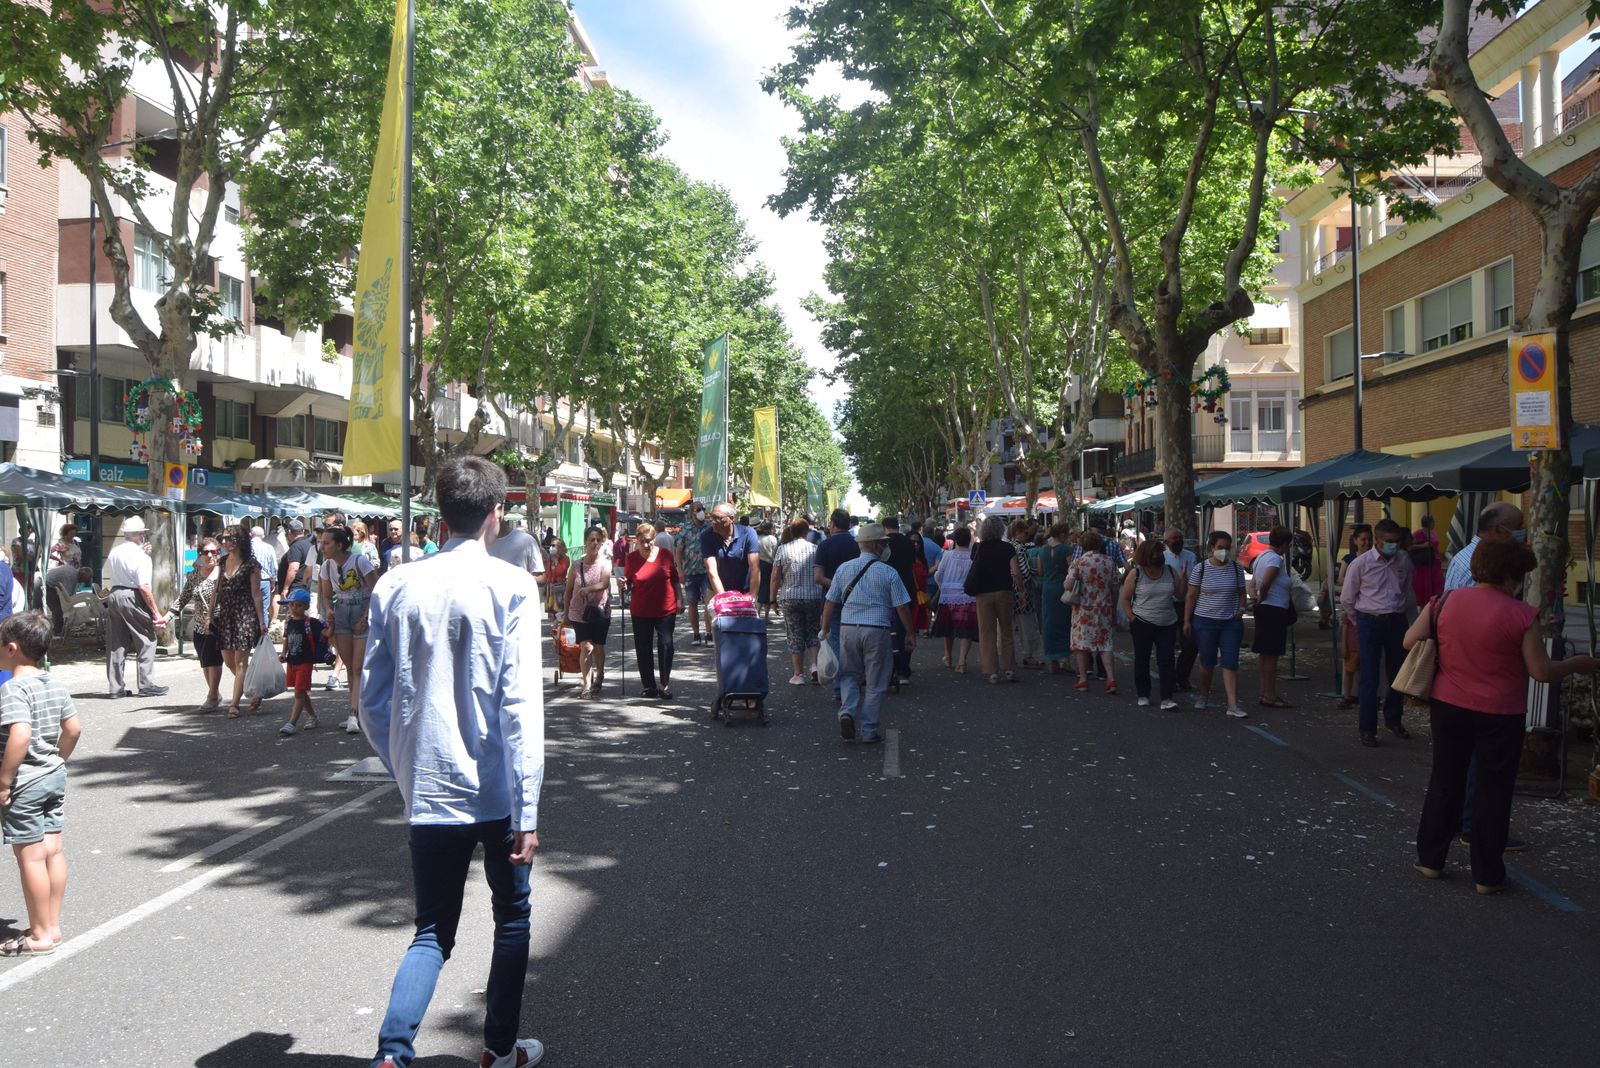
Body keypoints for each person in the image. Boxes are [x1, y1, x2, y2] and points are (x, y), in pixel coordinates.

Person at [361, 456, 546, 1068]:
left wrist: (405, 769)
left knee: (432, 930)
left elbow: (373, 701)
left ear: (440, 512)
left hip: (431, 788)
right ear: (498, 513)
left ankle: (393, 1052)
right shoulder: (514, 585)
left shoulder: (395, 584)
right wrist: (529, 806)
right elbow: (520, 706)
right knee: (512, 917)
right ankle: (498, 1046)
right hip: (496, 789)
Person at [1407, 539, 1599, 894]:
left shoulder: (1444, 601)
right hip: (1501, 712)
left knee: (1444, 781)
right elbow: (1541, 671)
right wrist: (1577, 664)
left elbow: (1409, 641)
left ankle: (1430, 859)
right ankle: (1487, 874)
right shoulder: (1521, 614)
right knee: (1492, 791)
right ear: (1511, 575)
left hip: (1448, 706)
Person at [0, 611, 81, 957]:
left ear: (13, 648)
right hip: (52, 777)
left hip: (26, 782)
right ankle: (53, 925)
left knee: (30, 858)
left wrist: (5, 779)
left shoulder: (14, 688)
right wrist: (58, 760)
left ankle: (40, 933)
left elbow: (20, 733)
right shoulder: (53, 682)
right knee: (53, 851)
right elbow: (73, 728)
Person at [818, 523, 913, 745]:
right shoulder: (889, 572)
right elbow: (902, 607)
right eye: (884, 544)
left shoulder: (843, 569)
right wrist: (910, 633)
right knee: (876, 681)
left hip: (848, 628)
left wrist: (825, 629)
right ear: (878, 545)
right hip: (877, 630)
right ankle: (869, 730)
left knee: (849, 675)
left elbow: (830, 601)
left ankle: (847, 713)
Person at [1342, 518, 1416, 747]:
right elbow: (1347, 598)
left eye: (1396, 541)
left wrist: (1411, 622)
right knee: (1369, 677)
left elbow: (1408, 592)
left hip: (1396, 620)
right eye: (1388, 541)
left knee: (1396, 674)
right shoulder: (1361, 564)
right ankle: (1367, 728)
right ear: (1378, 540)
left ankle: (1393, 719)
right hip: (1369, 620)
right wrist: (1359, 620)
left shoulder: (1404, 560)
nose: (1393, 545)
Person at [318, 525, 378, 734]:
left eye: (326, 543)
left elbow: (375, 590)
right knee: (351, 667)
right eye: (322, 543)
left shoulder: (359, 561)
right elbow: (326, 595)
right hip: (342, 615)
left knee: (358, 667)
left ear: (340, 545)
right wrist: (329, 611)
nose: (322, 547)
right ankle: (357, 712)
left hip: (361, 612)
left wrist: (366, 616)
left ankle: (354, 713)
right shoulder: (326, 566)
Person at [1184, 531, 1249, 719]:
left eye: (1227, 548)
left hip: (1231, 622)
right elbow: (1191, 595)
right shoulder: (1201, 569)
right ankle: (1203, 694)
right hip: (1205, 621)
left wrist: (1242, 607)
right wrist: (1187, 621)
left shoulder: (1236, 569)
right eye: (1220, 548)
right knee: (1207, 661)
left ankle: (1233, 704)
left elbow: (1241, 592)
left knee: (1230, 662)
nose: (1224, 552)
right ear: (1212, 547)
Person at [103, 516, 169, 698]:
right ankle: (146, 684)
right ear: (140, 535)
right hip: (132, 595)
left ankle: (115, 687)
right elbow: (144, 587)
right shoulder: (141, 556)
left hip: (115, 593)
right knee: (146, 639)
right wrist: (155, 613)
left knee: (116, 642)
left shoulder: (115, 551)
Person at [1120, 537, 1183, 709]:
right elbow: (1125, 599)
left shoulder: (1170, 571)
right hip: (1142, 623)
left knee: (1166, 660)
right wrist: (1132, 618)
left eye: (1160, 552)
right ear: (1147, 555)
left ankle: (1167, 698)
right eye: (1155, 552)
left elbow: (1179, 595)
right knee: (1142, 659)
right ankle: (1143, 693)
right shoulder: (1136, 573)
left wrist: (1182, 580)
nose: (1158, 555)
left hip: (1167, 623)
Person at [214, 525, 267, 719]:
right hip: (226, 615)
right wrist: (210, 613)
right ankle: (254, 690)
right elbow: (217, 589)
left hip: (245, 614)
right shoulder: (222, 561)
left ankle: (234, 704)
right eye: (223, 539)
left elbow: (257, 594)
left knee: (240, 661)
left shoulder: (251, 564)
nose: (225, 542)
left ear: (240, 540)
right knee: (229, 661)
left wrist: (262, 622)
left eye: (229, 538)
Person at [624, 522, 681, 700]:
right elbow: (628, 584)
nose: (646, 545)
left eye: (649, 541)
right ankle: (649, 686)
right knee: (643, 648)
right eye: (642, 541)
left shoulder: (665, 555)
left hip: (666, 608)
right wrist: (622, 583)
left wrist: (680, 599)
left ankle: (664, 684)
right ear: (637, 540)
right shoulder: (631, 558)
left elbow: (675, 580)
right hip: (641, 609)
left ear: (655, 539)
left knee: (666, 645)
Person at [812, 509, 861, 701]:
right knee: (856, 646)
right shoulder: (857, 545)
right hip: (857, 602)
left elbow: (818, 577)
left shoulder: (824, 545)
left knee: (837, 646)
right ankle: (854, 685)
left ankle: (841, 689)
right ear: (849, 524)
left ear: (832, 524)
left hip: (832, 603)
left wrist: (838, 587)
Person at [969, 515, 1023, 685]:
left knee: (987, 633)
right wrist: (1021, 592)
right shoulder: (1008, 548)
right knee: (1006, 631)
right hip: (1004, 592)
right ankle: (1009, 669)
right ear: (1002, 529)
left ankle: (991, 671)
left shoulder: (978, 548)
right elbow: (1015, 573)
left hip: (983, 594)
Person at [173, 536, 223, 711]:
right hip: (199, 625)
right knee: (204, 661)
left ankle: (212, 695)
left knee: (213, 660)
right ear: (199, 555)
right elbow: (184, 596)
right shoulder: (194, 575)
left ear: (219, 553)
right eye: (205, 552)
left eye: (214, 552)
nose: (209, 555)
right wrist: (168, 615)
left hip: (218, 623)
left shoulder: (224, 574)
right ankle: (214, 693)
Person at [771, 517, 823, 686]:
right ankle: (815, 668)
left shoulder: (782, 550)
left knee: (795, 635)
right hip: (813, 596)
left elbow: (774, 577)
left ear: (791, 532)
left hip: (790, 597)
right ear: (806, 532)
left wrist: (772, 599)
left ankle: (798, 674)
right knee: (813, 632)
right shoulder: (816, 549)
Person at [1068, 529, 1119, 693]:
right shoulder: (1109, 561)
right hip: (1104, 608)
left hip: (1083, 608)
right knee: (1105, 644)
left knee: (1081, 644)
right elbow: (1115, 586)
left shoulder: (1078, 562)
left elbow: (1068, 586)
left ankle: (1083, 679)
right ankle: (1111, 678)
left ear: (1082, 545)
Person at [1250, 527, 1296, 710]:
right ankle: (1270, 693)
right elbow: (1266, 581)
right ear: (1284, 544)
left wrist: (1256, 596)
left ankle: (1264, 691)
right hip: (1274, 610)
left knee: (1264, 654)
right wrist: (1263, 595)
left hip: (1265, 610)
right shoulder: (1275, 559)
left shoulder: (1261, 556)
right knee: (1271, 656)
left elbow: (1253, 584)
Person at [565, 528, 613, 697]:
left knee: (598, 648)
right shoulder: (576, 565)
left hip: (599, 611)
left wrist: (588, 589)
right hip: (579, 611)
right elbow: (568, 590)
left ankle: (599, 674)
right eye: (592, 540)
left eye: (598, 540)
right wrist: (565, 614)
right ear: (585, 542)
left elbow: (605, 583)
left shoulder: (605, 563)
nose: (595, 543)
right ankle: (586, 684)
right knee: (586, 647)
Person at [1444, 502, 1525, 593]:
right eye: (1518, 526)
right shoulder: (1482, 566)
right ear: (1499, 530)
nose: (1523, 530)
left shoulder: (1475, 558)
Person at [276, 590, 325, 736]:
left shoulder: (312, 623)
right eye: (291, 605)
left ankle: (292, 723)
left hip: (305, 662)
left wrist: (332, 624)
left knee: (298, 692)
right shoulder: (289, 622)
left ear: (306, 607)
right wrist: (284, 653)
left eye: (298, 605)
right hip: (292, 661)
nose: (294, 608)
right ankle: (313, 716)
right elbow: (286, 639)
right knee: (301, 691)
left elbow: (325, 634)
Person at [881, 517, 923, 685]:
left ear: (884, 527)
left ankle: (889, 668)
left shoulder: (883, 543)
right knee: (905, 628)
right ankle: (904, 669)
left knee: (887, 630)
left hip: (886, 590)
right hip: (906, 588)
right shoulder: (908, 542)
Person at [1335, 524, 1373, 709]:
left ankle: (1364, 694)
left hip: (1368, 611)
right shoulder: (1350, 559)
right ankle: (1347, 694)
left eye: (1368, 539)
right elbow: (1341, 579)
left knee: (1368, 660)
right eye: (1362, 539)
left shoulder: (1377, 559)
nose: (1366, 542)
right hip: (1353, 608)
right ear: (1356, 541)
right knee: (1350, 660)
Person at [701, 503, 761, 615]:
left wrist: (752, 598)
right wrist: (724, 600)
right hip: (717, 590)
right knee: (721, 626)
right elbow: (711, 571)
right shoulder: (707, 536)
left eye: (717, 518)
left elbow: (755, 568)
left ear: (731, 518)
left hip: (744, 591)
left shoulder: (748, 533)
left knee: (746, 627)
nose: (712, 521)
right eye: (711, 517)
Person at [1163, 530, 1200, 691]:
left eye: (1180, 538)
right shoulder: (1162, 558)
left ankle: (1182, 676)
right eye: (1174, 538)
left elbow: (1195, 578)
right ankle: (1170, 678)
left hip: (1188, 604)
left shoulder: (1190, 556)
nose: (1178, 541)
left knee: (1191, 643)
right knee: (1168, 644)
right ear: (1166, 541)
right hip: (1169, 604)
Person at [1007, 520, 1044, 670]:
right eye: (1024, 533)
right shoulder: (1020, 548)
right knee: (1026, 625)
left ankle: (1009, 657)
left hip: (1010, 590)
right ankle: (1028, 655)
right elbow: (1023, 572)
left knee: (1009, 626)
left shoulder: (1008, 545)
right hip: (1022, 591)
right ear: (1017, 532)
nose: (1026, 536)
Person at [1038, 524, 1075, 673]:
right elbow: (1072, 569)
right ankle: (1064, 660)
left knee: (1049, 623)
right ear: (1062, 535)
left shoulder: (1042, 550)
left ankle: (1052, 659)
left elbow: (1040, 571)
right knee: (1065, 622)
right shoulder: (1067, 549)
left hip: (1047, 589)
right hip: (1063, 588)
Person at [674, 503, 710, 646]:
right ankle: (696, 634)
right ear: (692, 513)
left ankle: (709, 633)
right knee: (692, 603)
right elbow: (678, 551)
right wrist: (680, 571)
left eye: (703, 509)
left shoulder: (709, 527)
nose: (702, 512)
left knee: (709, 603)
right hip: (690, 572)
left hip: (707, 572)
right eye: (699, 509)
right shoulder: (685, 530)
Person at [488, 511, 547, 584]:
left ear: (500, 508)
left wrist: (516, 578)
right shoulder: (474, 543)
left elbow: (541, 578)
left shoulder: (526, 540)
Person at [277, 518, 316, 612]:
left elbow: (293, 568)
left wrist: (285, 588)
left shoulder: (296, 546)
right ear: (302, 531)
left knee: (295, 615)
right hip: (305, 586)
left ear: (289, 532)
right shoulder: (309, 545)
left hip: (297, 589)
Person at [756, 521, 779, 621]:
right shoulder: (772, 539)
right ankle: (766, 617)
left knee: (760, 590)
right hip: (769, 566)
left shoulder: (757, 538)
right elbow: (775, 554)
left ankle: (757, 615)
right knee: (768, 590)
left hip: (758, 565)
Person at [544, 540, 569, 620]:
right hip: (550, 587)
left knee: (559, 610)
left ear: (560, 547)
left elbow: (560, 572)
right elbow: (547, 574)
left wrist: (556, 561)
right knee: (552, 613)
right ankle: (555, 628)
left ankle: (558, 628)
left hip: (559, 588)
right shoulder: (549, 559)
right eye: (551, 545)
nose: (551, 547)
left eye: (554, 545)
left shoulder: (566, 559)